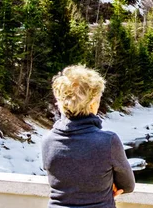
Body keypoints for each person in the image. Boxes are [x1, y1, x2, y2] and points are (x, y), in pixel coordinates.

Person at [42, 65, 135, 208]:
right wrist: (105, 187)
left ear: (60, 103)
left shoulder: (48, 141)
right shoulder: (108, 142)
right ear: (92, 104)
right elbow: (127, 186)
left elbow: (65, 179)